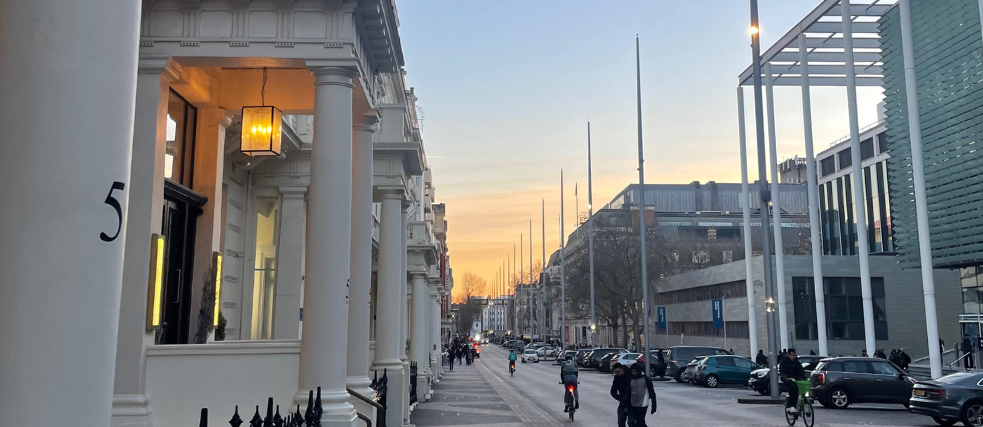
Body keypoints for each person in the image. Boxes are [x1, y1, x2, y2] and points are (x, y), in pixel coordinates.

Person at [625, 363, 657, 427]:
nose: (633, 373)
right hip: (632, 403)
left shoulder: (646, 379)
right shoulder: (630, 378)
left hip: (643, 404)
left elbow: (652, 393)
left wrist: (653, 406)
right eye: (632, 371)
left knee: (640, 421)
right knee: (635, 422)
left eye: (635, 371)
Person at [779, 348, 806, 415]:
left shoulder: (797, 362)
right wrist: (786, 378)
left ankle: (802, 405)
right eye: (792, 355)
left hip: (796, 378)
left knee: (803, 389)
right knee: (792, 389)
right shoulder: (783, 362)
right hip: (788, 379)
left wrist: (805, 378)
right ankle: (792, 406)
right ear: (788, 354)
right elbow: (782, 372)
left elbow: (801, 371)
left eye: (794, 355)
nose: (793, 357)